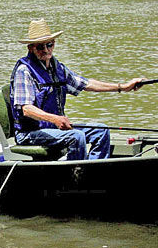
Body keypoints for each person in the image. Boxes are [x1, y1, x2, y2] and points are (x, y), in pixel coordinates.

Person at [10, 18, 146, 160]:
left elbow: (86, 84)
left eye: (49, 44)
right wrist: (55, 119)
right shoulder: (24, 71)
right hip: (29, 133)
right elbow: (26, 109)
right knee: (76, 136)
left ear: (54, 44)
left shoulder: (57, 68)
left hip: (53, 128)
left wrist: (122, 87)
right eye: (40, 47)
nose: (46, 50)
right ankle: (76, 175)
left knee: (101, 131)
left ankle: (91, 171)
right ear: (30, 48)